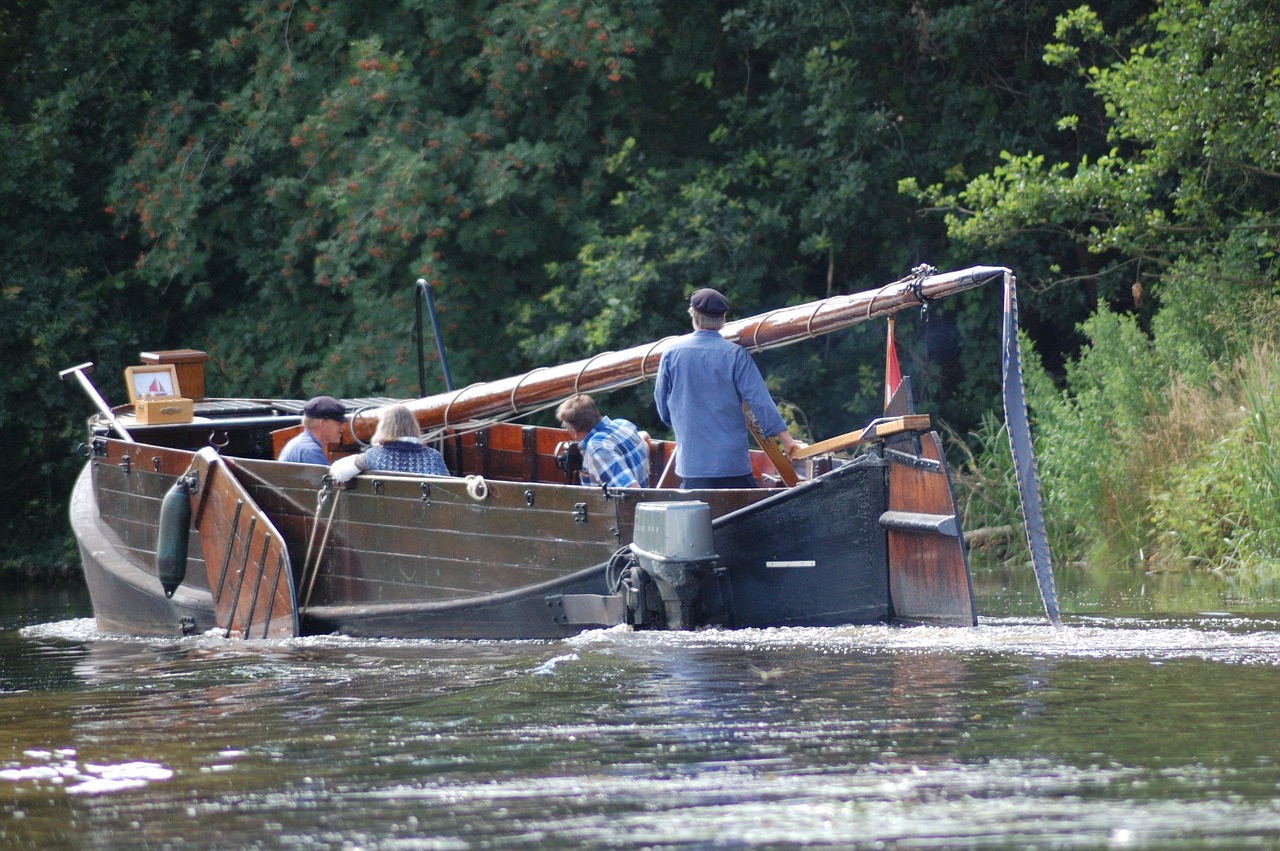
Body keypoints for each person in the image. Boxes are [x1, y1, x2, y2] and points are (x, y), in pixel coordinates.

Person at [654, 287, 805, 488]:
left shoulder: (671, 353)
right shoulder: (736, 355)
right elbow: (760, 402)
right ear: (723, 319)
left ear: (693, 314)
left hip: (692, 467)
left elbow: (663, 407)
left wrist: (685, 425)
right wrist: (787, 441)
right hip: (732, 466)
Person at [329, 403, 449, 482]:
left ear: (384, 427)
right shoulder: (433, 456)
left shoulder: (374, 456)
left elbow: (337, 472)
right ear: (414, 426)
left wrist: (359, 458)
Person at [555, 394, 650, 488]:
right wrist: (642, 437)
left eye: (566, 426)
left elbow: (632, 490)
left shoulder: (598, 448)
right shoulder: (623, 424)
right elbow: (641, 442)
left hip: (618, 503)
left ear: (574, 430)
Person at [279, 395, 347, 465]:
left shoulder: (299, 444)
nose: (343, 426)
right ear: (323, 424)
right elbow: (322, 476)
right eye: (339, 423)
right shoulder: (311, 451)